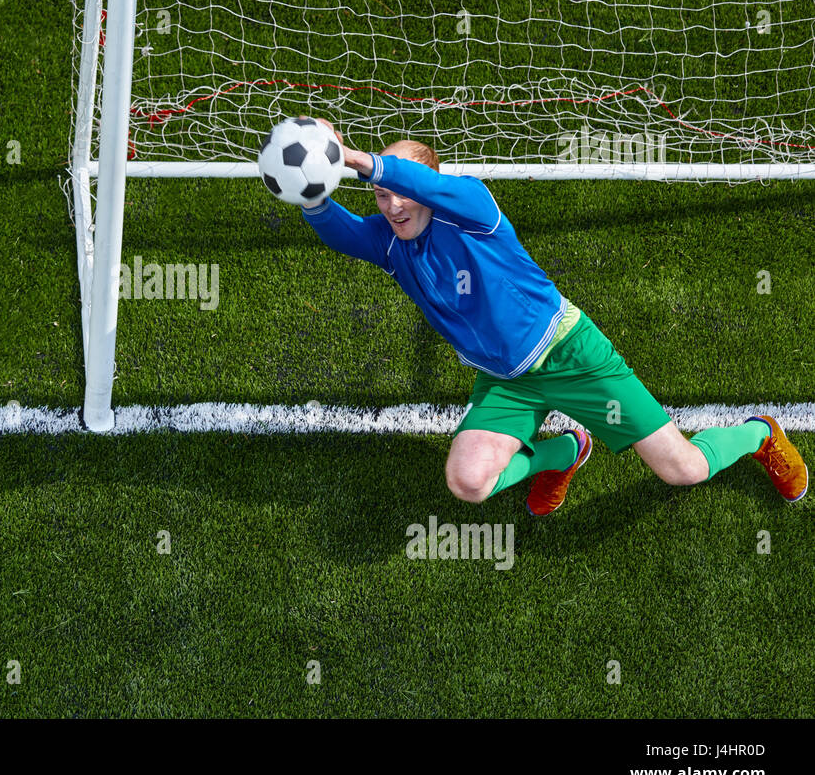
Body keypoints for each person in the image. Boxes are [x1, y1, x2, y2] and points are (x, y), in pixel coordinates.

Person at [298, 120, 807, 514]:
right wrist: (310, 191)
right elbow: (339, 232)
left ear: (429, 185)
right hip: (505, 380)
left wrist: (355, 158)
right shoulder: (389, 241)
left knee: (685, 469)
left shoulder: (472, 210)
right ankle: (566, 451)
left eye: (401, 191)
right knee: (468, 482)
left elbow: (423, 186)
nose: (392, 206)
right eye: (381, 196)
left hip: (570, 355)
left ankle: (759, 433)